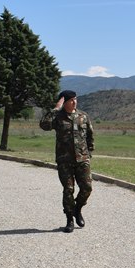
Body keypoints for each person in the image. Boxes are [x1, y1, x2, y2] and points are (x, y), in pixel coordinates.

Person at [40, 90, 94, 233]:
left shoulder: (83, 116)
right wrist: (56, 109)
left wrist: (89, 153)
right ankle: (69, 219)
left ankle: (78, 209)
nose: (74, 102)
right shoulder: (58, 117)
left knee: (87, 188)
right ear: (64, 102)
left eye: (75, 99)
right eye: (71, 100)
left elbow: (90, 135)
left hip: (82, 159)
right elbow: (44, 125)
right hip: (65, 161)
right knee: (69, 190)